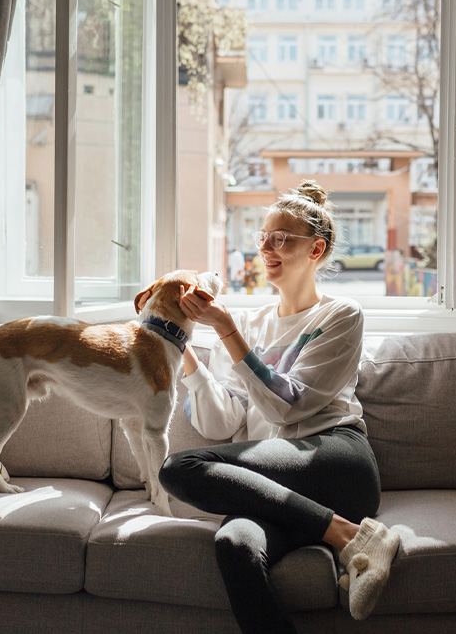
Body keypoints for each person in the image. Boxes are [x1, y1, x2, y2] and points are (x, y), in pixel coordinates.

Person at [160, 180, 401, 633]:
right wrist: (178, 341)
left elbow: (289, 407)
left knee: (178, 468)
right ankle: (351, 537)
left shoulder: (340, 315)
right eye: (263, 237)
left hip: (335, 462)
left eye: (282, 239)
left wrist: (228, 332)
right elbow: (220, 422)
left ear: (316, 250)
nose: (267, 248)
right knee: (235, 544)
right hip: (274, 483)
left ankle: (353, 532)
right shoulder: (248, 323)